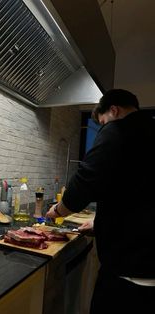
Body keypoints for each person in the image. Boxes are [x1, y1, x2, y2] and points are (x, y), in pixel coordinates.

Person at [46, 89, 155, 314]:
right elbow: (139, 195)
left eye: (103, 122)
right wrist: (100, 223)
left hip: (129, 276)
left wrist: (58, 210)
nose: (104, 128)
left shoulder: (119, 129)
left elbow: (85, 181)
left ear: (114, 110)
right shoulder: (150, 129)